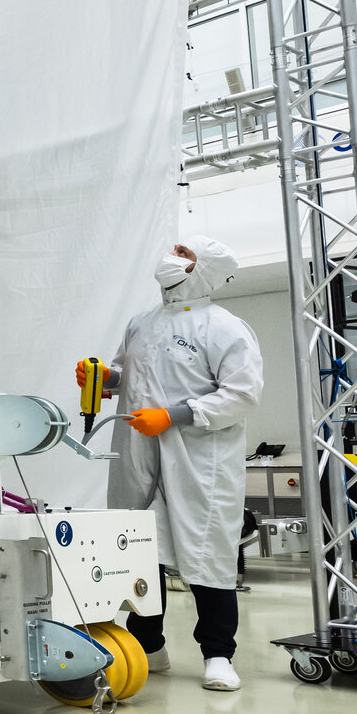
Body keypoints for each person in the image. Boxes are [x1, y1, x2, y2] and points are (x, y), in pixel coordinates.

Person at [77, 236, 262, 690]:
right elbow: (129, 376)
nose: (171, 259)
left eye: (184, 254)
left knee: (208, 553)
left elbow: (242, 394)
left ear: (204, 269)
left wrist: (175, 415)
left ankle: (218, 654)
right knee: (140, 552)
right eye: (173, 250)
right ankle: (149, 647)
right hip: (138, 451)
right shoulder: (141, 323)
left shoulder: (225, 327)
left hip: (197, 457)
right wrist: (103, 378)